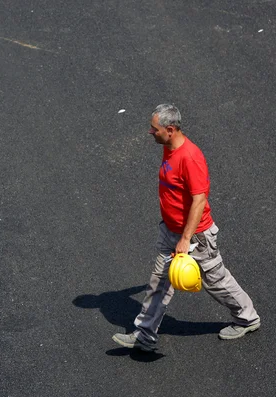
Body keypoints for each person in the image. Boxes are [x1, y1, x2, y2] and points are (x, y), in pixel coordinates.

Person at [112, 104, 261, 352]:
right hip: (170, 230)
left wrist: (186, 238)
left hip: (196, 236)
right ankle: (145, 333)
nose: (150, 132)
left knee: (215, 281)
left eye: (154, 128)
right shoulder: (169, 148)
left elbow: (199, 200)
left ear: (170, 130)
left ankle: (247, 318)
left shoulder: (190, 157)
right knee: (159, 280)